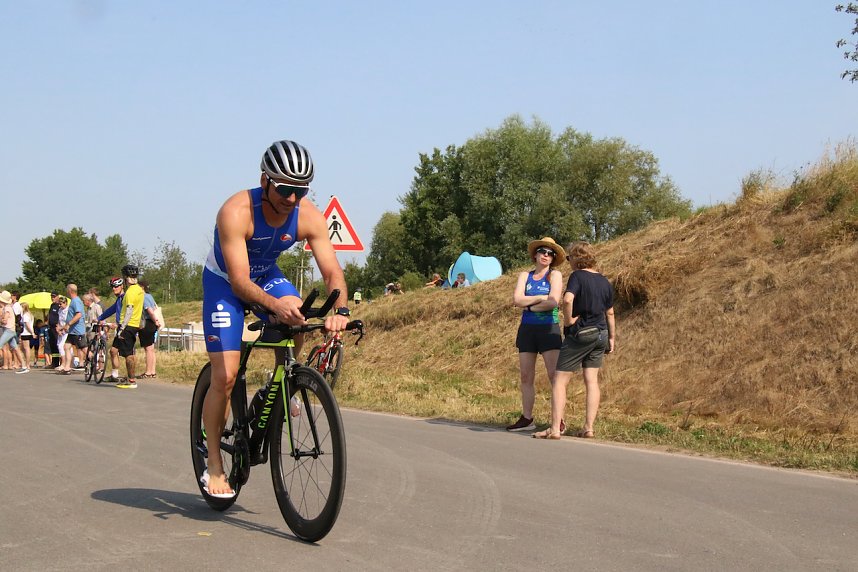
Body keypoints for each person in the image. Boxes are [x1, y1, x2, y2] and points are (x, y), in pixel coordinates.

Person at [201, 139, 350, 498]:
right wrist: (273, 306)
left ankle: (281, 381)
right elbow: (240, 281)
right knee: (226, 375)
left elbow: (332, 272)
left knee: (297, 311)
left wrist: (341, 311)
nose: (292, 198)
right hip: (225, 282)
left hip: (266, 273)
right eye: (284, 189)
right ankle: (214, 463)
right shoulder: (236, 211)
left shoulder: (307, 214)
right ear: (264, 180)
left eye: (301, 190)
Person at [533, 241, 615, 440]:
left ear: (577, 258)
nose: (568, 262)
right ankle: (588, 428)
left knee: (559, 381)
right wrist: (612, 337)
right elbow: (610, 313)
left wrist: (569, 320)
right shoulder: (604, 281)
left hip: (581, 333)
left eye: (569, 258)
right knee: (591, 381)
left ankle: (554, 429)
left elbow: (568, 299)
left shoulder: (577, 276)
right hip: (601, 334)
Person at [507, 237, 566, 432]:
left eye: (550, 253)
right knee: (526, 376)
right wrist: (540, 297)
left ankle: (558, 420)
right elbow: (517, 299)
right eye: (542, 251)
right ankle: (527, 418)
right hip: (527, 329)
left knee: (553, 376)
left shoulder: (554, 275)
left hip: (549, 328)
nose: (546, 255)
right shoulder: (525, 275)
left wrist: (530, 305)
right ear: (535, 254)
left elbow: (553, 302)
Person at [114, 265, 145, 389]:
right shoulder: (139, 290)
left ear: (126, 277)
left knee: (128, 354)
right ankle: (127, 377)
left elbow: (129, 309)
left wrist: (122, 328)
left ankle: (131, 380)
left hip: (127, 325)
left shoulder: (131, 292)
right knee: (119, 350)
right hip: (134, 324)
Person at [98, 277, 125, 382]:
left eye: (116, 286)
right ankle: (114, 375)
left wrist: (119, 324)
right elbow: (111, 310)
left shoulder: (125, 298)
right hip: (120, 329)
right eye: (113, 287)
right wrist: (100, 318)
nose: (114, 289)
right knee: (113, 351)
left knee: (128, 354)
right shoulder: (119, 299)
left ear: (122, 286)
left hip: (126, 328)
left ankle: (130, 377)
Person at [137, 279, 162, 378]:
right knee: (151, 349)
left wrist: (155, 320)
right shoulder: (150, 296)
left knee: (148, 349)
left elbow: (150, 311)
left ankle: (148, 371)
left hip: (147, 323)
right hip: (152, 323)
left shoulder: (144, 297)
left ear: (142, 287)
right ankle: (152, 371)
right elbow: (155, 308)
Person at [60, 284, 87, 373]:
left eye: (67, 290)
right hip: (72, 331)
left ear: (70, 290)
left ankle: (95, 362)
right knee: (66, 347)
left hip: (77, 330)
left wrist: (69, 324)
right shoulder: (73, 301)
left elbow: (78, 315)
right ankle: (67, 367)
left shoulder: (76, 301)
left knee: (84, 348)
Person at [0, 291, 28, 373]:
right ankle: (24, 366)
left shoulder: (7, 308)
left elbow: (4, 321)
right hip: (11, 330)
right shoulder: (8, 307)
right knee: (16, 348)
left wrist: (1, 319)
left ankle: (24, 366)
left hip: (8, 330)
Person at [18, 301, 35, 369]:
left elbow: (27, 325)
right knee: (22, 348)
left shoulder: (25, 315)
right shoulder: (29, 315)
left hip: (25, 333)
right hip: (27, 333)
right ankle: (25, 363)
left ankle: (27, 364)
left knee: (26, 348)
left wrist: (32, 333)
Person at [46, 292, 61, 368]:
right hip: (51, 327)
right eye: (52, 297)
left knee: (58, 345)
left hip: (56, 328)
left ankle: (61, 363)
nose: (52, 298)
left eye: (54, 297)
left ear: (58, 297)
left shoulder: (59, 305)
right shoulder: (52, 305)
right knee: (53, 345)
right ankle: (54, 363)